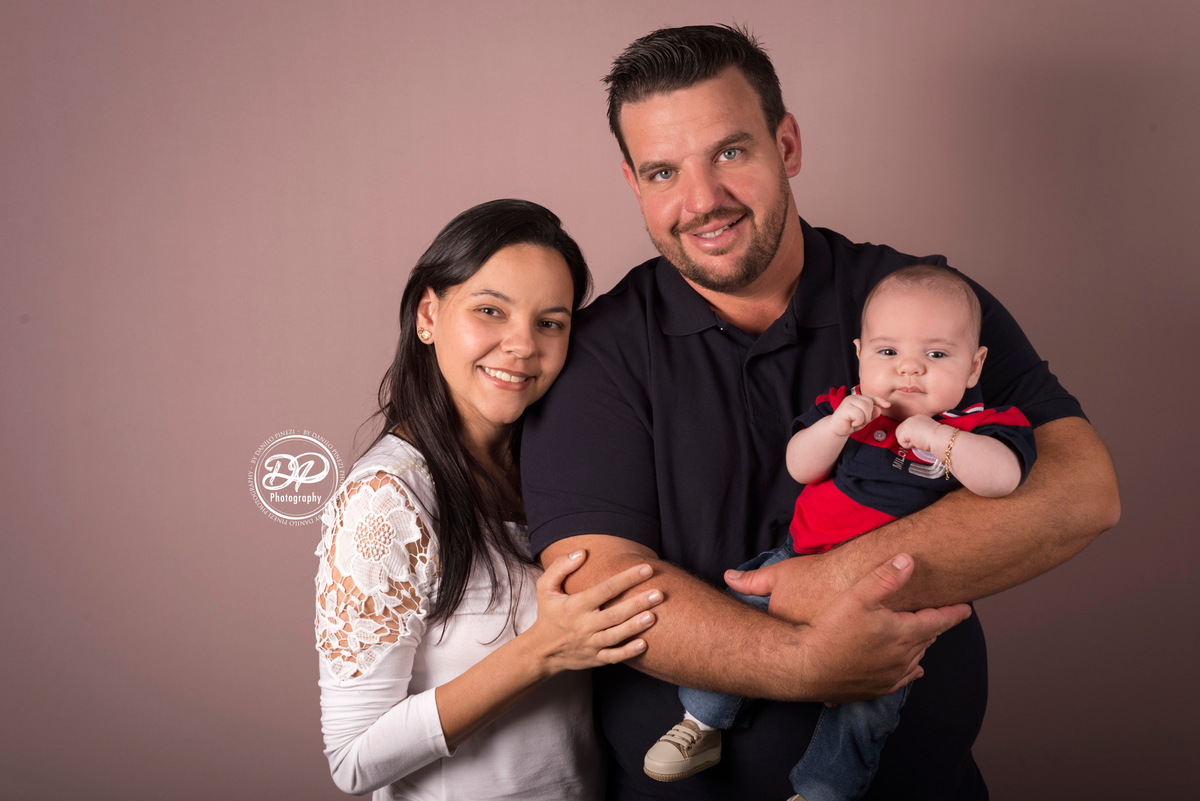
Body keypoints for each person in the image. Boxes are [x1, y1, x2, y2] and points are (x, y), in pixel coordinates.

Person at [520, 25, 1120, 800]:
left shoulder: (928, 308)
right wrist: (803, 662)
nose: (702, 201)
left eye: (730, 153)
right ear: (634, 183)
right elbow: (597, 583)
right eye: (664, 171)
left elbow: (1083, 490)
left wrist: (831, 578)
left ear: (787, 144)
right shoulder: (597, 355)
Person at [314, 199, 665, 800]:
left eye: (550, 322)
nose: (523, 345)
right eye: (490, 311)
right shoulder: (386, 498)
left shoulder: (558, 468)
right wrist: (543, 651)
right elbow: (352, 758)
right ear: (428, 314)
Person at [645, 266, 1037, 801]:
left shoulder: (979, 425)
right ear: (860, 354)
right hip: (798, 554)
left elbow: (1004, 480)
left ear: (975, 366)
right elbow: (799, 466)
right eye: (887, 353)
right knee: (736, 619)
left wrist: (938, 438)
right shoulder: (848, 407)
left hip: (896, 593)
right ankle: (701, 723)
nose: (910, 370)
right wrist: (833, 428)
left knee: (872, 693)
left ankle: (826, 789)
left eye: (938, 356)